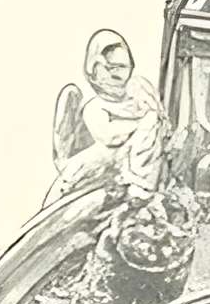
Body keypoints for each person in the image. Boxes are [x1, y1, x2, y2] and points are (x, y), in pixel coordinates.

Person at [45, 28, 167, 205]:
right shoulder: (94, 107)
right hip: (81, 177)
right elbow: (110, 136)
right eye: (109, 68)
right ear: (93, 70)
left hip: (131, 173)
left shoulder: (139, 88)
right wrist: (142, 123)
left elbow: (160, 114)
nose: (116, 74)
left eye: (122, 67)